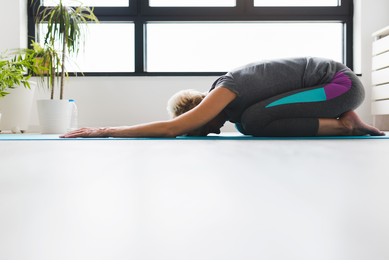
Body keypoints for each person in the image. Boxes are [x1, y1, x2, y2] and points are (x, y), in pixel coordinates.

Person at [61, 57, 385, 138]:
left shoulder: (225, 89)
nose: (211, 131)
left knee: (254, 120)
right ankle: (340, 122)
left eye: (202, 128)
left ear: (201, 109)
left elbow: (169, 129)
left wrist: (105, 130)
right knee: (249, 123)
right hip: (332, 88)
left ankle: (345, 125)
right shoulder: (233, 105)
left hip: (340, 85)